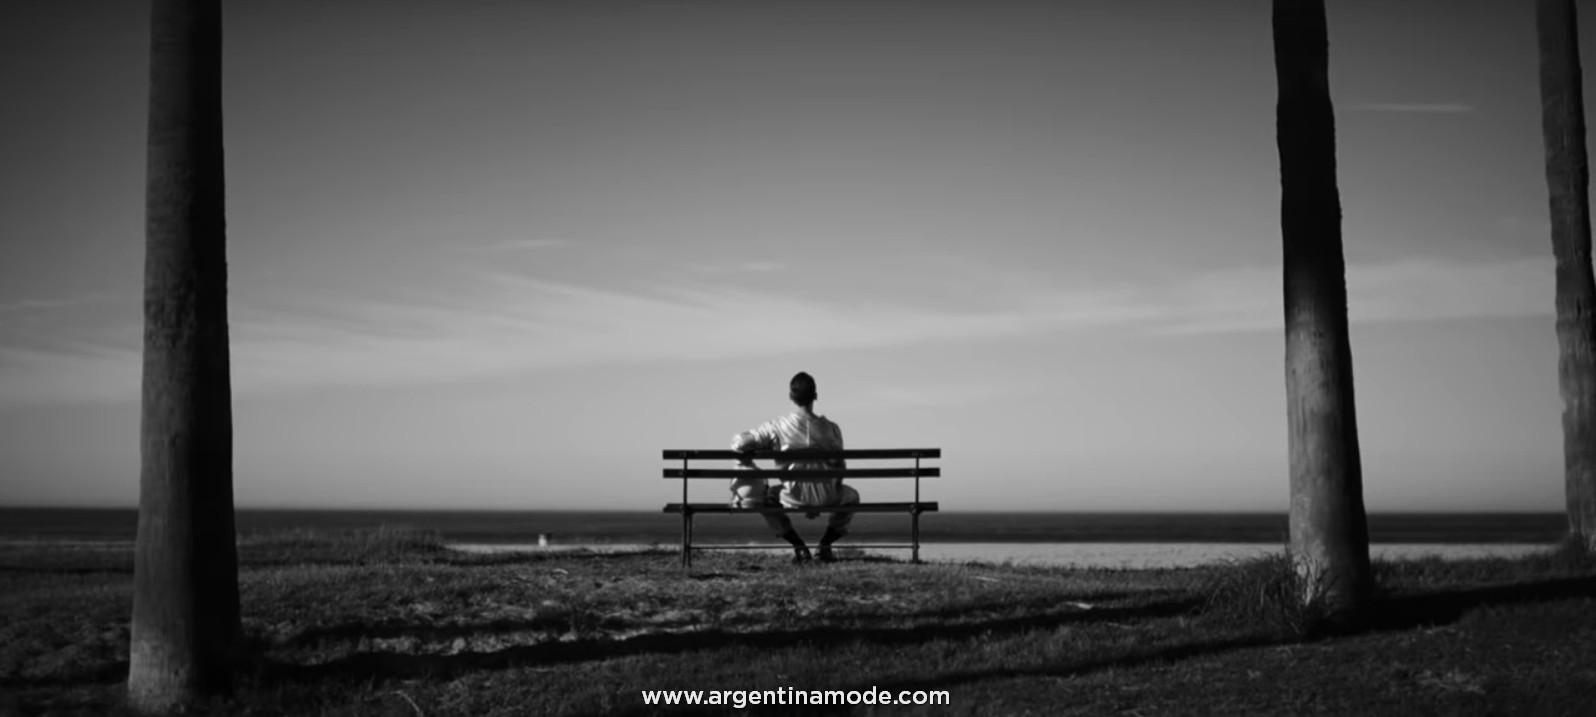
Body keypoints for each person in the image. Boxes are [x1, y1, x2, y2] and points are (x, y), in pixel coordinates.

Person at [730, 371, 860, 563]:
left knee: (766, 498)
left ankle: (799, 547)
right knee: (852, 497)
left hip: (792, 495)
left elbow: (740, 443)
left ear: (791, 396)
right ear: (815, 396)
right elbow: (840, 468)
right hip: (829, 495)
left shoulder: (777, 426)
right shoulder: (832, 429)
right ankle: (824, 546)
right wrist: (825, 495)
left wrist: (757, 451)